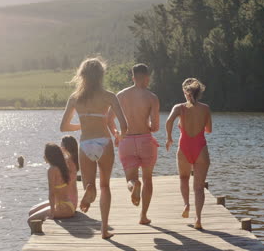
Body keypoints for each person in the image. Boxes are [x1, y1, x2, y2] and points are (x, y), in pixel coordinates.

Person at [60, 57, 127, 239]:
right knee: (105, 186)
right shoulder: (109, 96)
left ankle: (89, 188)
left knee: (90, 182)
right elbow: (124, 124)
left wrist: (81, 125)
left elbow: (63, 127)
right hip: (104, 142)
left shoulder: (75, 98)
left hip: (85, 144)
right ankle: (105, 230)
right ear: (101, 75)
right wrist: (120, 135)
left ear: (82, 75)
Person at [107, 63, 160, 225]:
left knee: (130, 178)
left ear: (133, 78)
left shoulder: (120, 95)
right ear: (147, 78)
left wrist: (116, 134)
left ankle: (133, 185)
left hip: (127, 141)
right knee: (148, 179)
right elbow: (155, 127)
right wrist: (149, 126)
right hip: (145, 140)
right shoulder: (152, 97)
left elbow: (108, 119)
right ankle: (143, 216)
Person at [165, 78, 212, 230]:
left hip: (184, 147)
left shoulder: (179, 107)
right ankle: (198, 219)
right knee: (198, 187)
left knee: (184, 178)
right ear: (199, 93)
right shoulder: (205, 108)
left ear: (185, 92)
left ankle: (186, 204)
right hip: (200, 148)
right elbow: (209, 130)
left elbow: (168, 121)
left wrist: (169, 137)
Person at [28, 143, 76, 226]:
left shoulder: (52, 170)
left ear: (49, 156)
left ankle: (41, 237)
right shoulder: (63, 166)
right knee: (31, 211)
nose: (43, 156)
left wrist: (52, 213)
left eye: (45, 154)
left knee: (31, 220)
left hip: (63, 208)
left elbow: (52, 193)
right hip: (68, 206)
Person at [61, 135, 79, 209]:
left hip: (68, 203)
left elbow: (63, 183)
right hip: (70, 200)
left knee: (33, 214)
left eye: (61, 145)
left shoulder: (68, 162)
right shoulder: (73, 160)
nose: (60, 147)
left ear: (65, 147)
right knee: (33, 210)